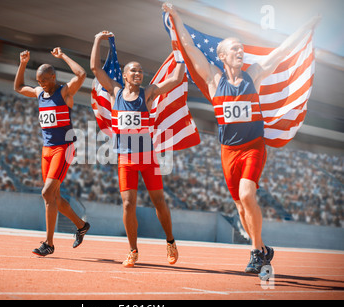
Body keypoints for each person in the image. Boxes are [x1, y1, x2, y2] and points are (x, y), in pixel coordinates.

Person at [163, 3, 321, 273]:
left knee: (248, 195)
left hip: (252, 147)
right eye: (234, 48)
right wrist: (177, 18)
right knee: (239, 205)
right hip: (228, 151)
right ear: (222, 55)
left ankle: (256, 251)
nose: (241, 51)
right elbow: (190, 49)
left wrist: (305, 28)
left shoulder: (254, 75)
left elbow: (282, 51)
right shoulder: (213, 80)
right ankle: (261, 250)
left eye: (241, 48)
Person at [90, 31, 184, 267]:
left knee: (159, 202)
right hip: (126, 158)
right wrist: (97, 41)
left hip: (147, 157)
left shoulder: (148, 92)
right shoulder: (115, 92)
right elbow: (95, 69)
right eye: (133, 70)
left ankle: (170, 241)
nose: (138, 73)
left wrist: (182, 56)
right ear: (124, 75)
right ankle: (133, 250)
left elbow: (174, 80)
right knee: (128, 204)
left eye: (140, 71)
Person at [14, 47, 90, 256]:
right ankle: (81, 226)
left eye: (44, 81)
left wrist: (63, 55)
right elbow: (19, 87)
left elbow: (82, 74)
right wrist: (22, 63)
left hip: (63, 148)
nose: (41, 85)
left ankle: (48, 243)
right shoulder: (40, 92)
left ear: (53, 77)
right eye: (39, 82)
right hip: (46, 149)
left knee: (46, 193)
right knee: (53, 198)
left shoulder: (64, 91)